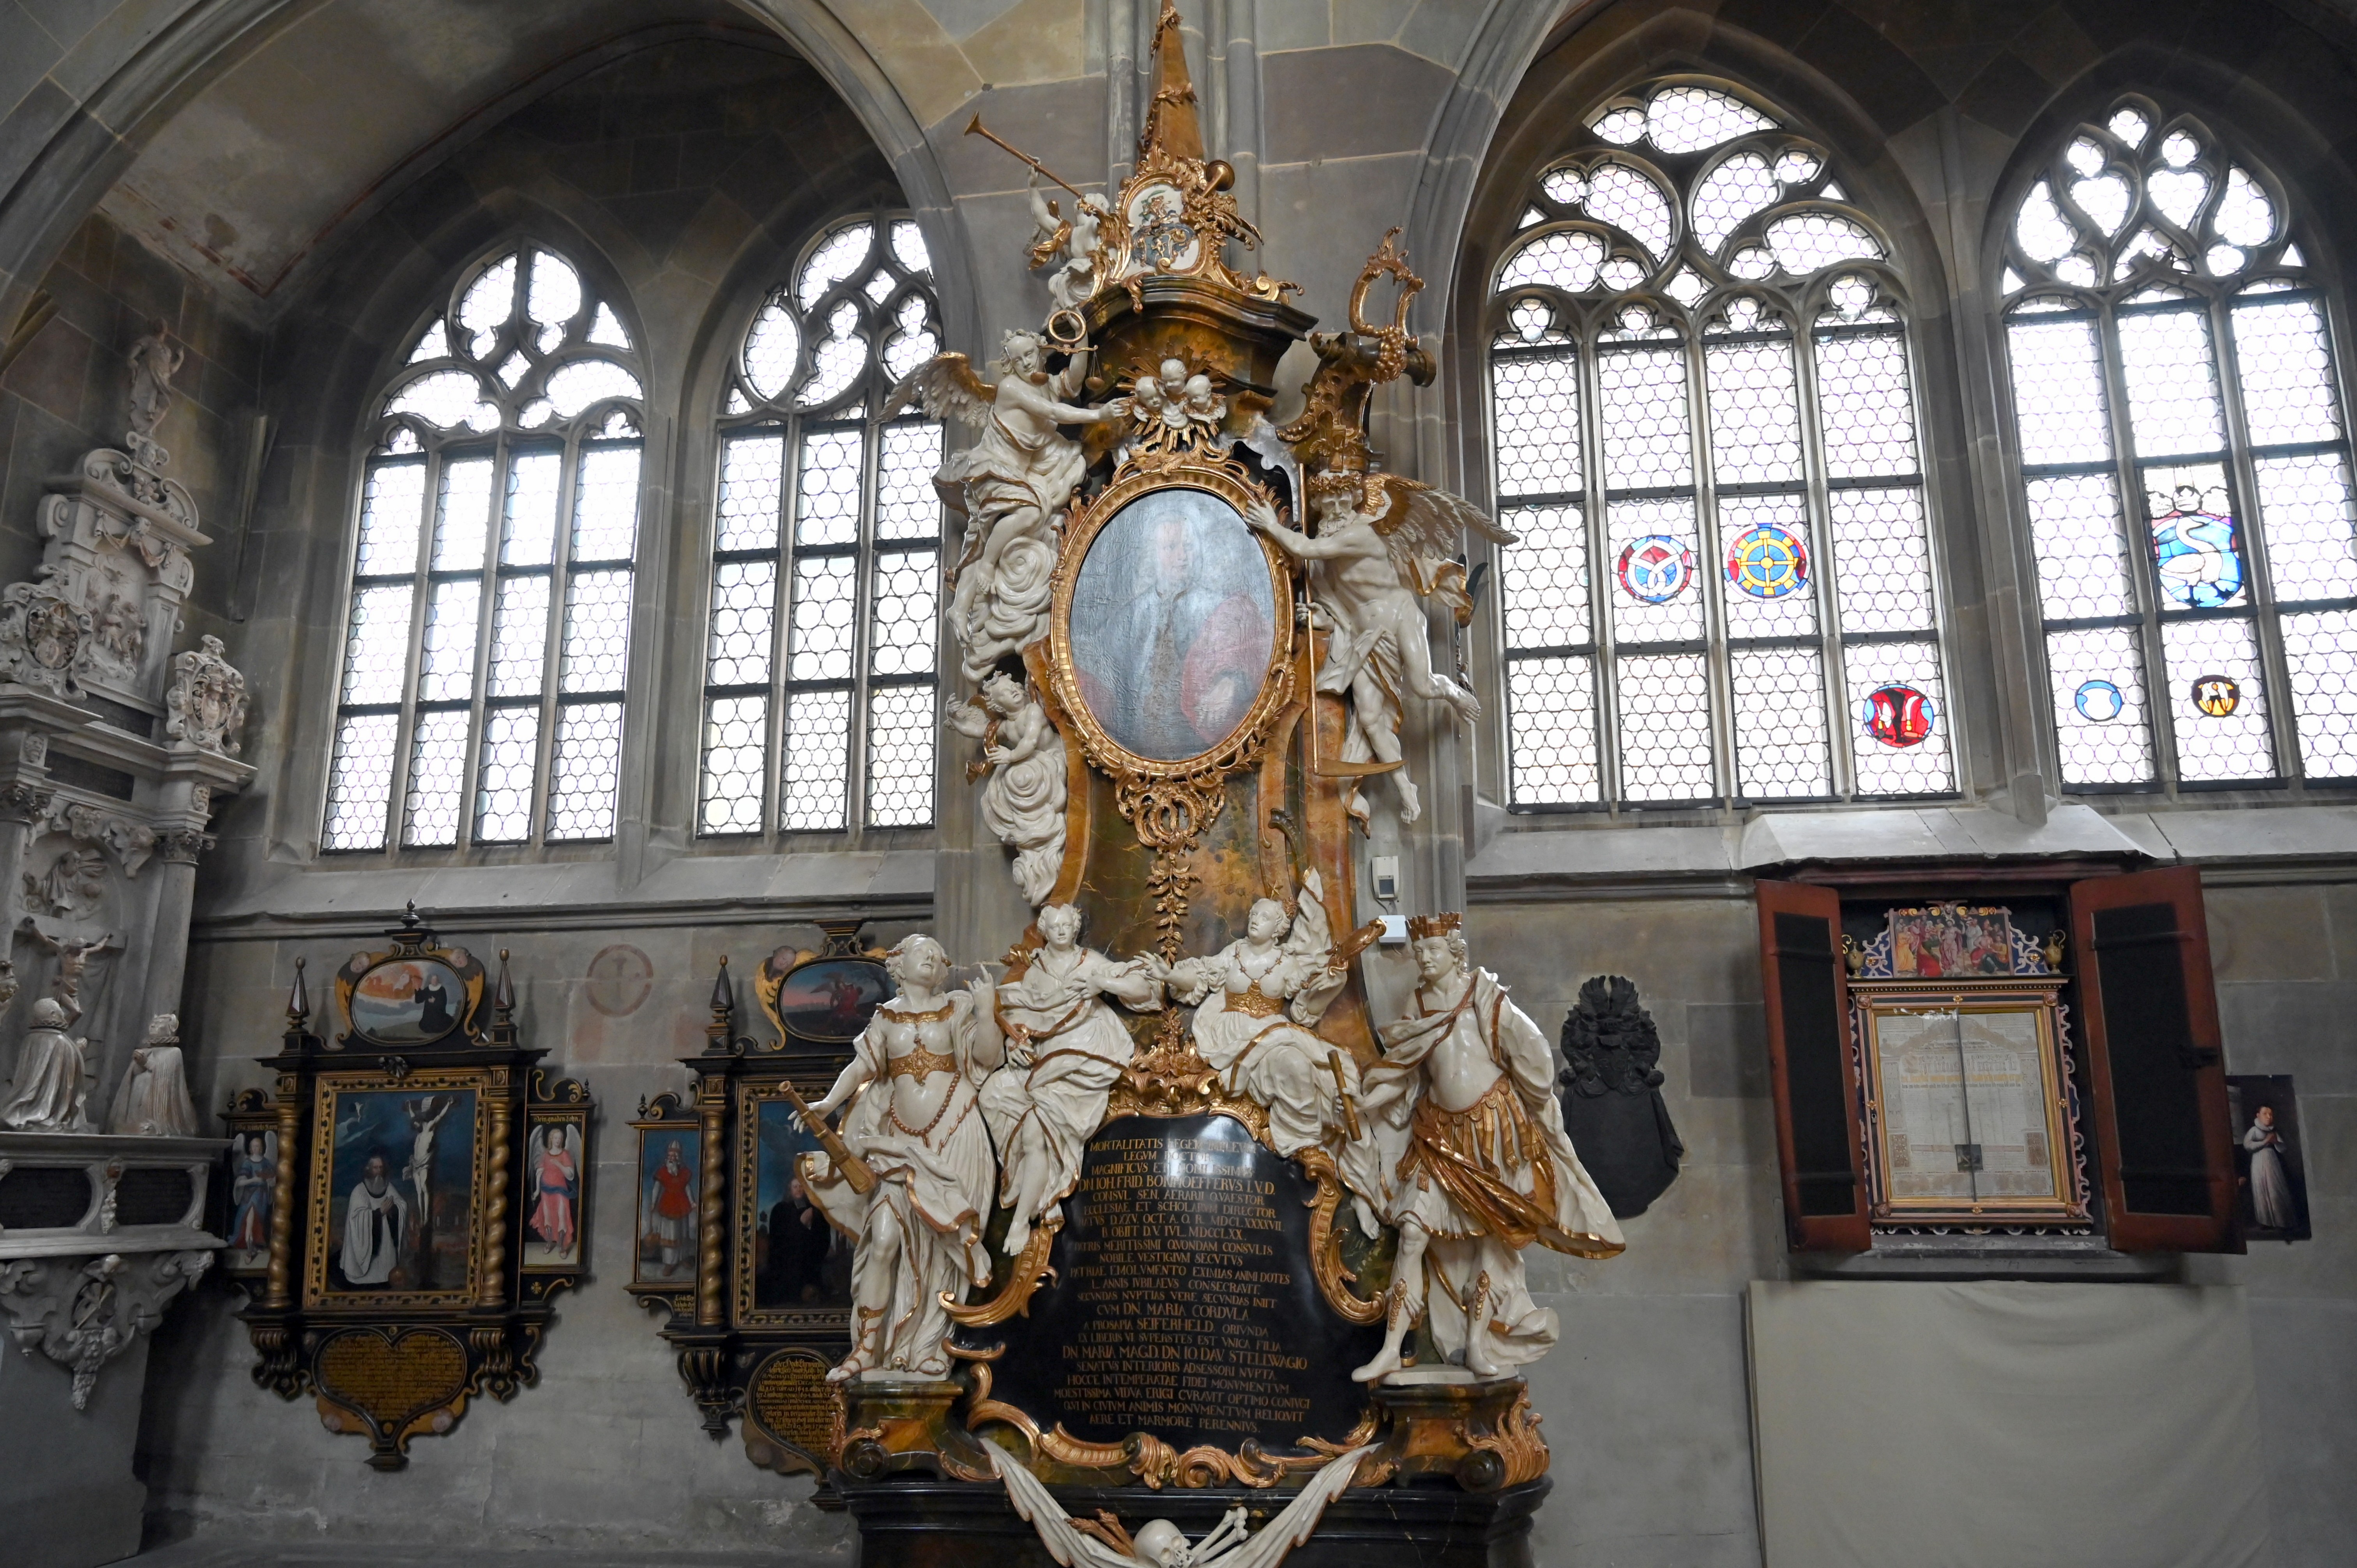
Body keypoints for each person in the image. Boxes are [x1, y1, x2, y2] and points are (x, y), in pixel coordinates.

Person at [1350, 913, 1624, 1382]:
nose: (1424, 959)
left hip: (1493, 1133)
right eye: (1419, 952)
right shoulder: (1418, 1004)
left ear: (1455, 953)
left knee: (1489, 1244)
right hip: (1438, 1133)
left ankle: (1476, 1345)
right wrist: (1365, 1102)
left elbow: (1529, 1054)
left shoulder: (1485, 996)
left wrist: (1537, 1109)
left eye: (1433, 951)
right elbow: (1403, 1069)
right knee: (1412, 1233)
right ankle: (1391, 1348)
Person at [798, 934, 1004, 1382]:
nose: (929, 957)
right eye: (920, 952)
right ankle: (867, 1350)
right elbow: (861, 1068)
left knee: (944, 1246)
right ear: (898, 965)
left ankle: (931, 1346)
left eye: (935, 953)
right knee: (884, 1239)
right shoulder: (885, 1018)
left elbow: (989, 1057)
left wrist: (987, 1012)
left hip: (956, 1136)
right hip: (897, 1146)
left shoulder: (956, 1007)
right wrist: (828, 1103)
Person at [979, 902, 1161, 1254]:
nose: (1062, 931)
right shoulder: (1035, 971)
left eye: (1068, 925)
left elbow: (1143, 990)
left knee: (1036, 1133)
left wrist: (1103, 982)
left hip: (1084, 1055)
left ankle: (1021, 1220)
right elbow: (1020, 1018)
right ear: (1045, 932)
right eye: (1055, 926)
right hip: (1043, 1057)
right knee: (991, 1094)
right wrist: (1013, 1045)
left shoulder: (1089, 961)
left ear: (1075, 929)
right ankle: (1028, 1184)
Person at [1149, 876, 1359, 1160]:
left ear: (1278, 929)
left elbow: (1304, 1008)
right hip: (1226, 1036)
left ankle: (1304, 1142)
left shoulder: (1288, 963)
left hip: (1271, 1033)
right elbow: (1200, 976)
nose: (1255, 920)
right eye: (1254, 915)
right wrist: (1171, 975)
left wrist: (1330, 981)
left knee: (1297, 1064)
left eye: (1264, 917)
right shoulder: (1234, 953)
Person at [1105, 508, 1268, 758]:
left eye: (1189, 547)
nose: (1182, 556)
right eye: (1171, 547)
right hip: (1136, 749)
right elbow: (1108, 671)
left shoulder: (1219, 608)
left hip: (1203, 746)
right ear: (1153, 555)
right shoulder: (1132, 615)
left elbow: (1255, 649)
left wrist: (1231, 680)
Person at [1, 996, 91, 1131]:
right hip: (48, 1108)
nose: (63, 1013)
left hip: (23, 1103)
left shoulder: (30, 1039)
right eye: (60, 1010)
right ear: (53, 1014)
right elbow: (63, 1073)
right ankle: (43, 1117)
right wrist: (77, 1049)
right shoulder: (59, 1040)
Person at [106, 1012, 199, 1136]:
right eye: (153, 1023)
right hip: (138, 1093)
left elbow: (165, 1074)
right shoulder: (145, 1051)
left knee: (147, 1112)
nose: (153, 1026)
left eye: (159, 1023)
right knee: (136, 1108)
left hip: (155, 1097)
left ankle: (156, 1125)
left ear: (170, 1030)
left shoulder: (173, 1053)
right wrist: (139, 1065)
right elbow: (133, 1075)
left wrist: (146, 1062)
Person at [340, 1153, 408, 1288]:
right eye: (376, 1168)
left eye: (381, 1168)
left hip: (386, 1242)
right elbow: (356, 1218)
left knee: (385, 1277)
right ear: (369, 1169)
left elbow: (402, 1205)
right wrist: (379, 1213)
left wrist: (393, 1209)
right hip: (367, 1246)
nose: (379, 1171)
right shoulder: (359, 1191)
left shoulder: (388, 1187)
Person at [645, 1139, 696, 1277]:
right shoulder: (663, 1172)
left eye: (674, 1156)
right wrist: (653, 1203)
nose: (672, 1158)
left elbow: (688, 1188)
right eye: (670, 1156)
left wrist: (692, 1202)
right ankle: (670, 1263)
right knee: (670, 1235)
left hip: (682, 1204)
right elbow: (657, 1189)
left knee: (683, 1233)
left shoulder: (684, 1172)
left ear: (678, 1157)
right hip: (668, 1204)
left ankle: (683, 1258)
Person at [528, 1125, 578, 1257]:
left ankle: (561, 1246)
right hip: (546, 1190)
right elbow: (539, 1173)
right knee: (548, 1217)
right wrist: (537, 1191)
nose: (558, 1140)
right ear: (551, 1139)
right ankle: (550, 1242)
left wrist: (559, 1165)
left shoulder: (565, 1154)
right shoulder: (546, 1154)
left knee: (562, 1216)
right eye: (556, 1138)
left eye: (560, 1138)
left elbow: (571, 1175)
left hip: (561, 1190)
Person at [2245, 1104, 2295, 1231]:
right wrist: (2265, 1141)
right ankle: (2265, 1222)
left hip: (2272, 1162)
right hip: (2258, 1162)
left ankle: (2281, 1222)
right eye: (2265, 1114)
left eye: (2271, 1114)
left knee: (2275, 1190)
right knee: (2261, 1191)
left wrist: (2276, 1142)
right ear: (2258, 1116)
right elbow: (2248, 1146)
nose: (2269, 1117)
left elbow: (2283, 1149)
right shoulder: (2254, 1130)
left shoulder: (2273, 1131)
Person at [231, 1133, 275, 1257]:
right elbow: (240, 1182)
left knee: (258, 1220)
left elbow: (273, 1177)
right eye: (254, 1146)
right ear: (250, 1148)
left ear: (262, 1148)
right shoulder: (247, 1163)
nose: (256, 1148)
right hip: (250, 1195)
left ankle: (254, 1244)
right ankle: (249, 1243)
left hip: (262, 1196)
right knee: (250, 1218)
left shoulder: (266, 1162)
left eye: (258, 1146)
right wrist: (254, 1180)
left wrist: (271, 1181)